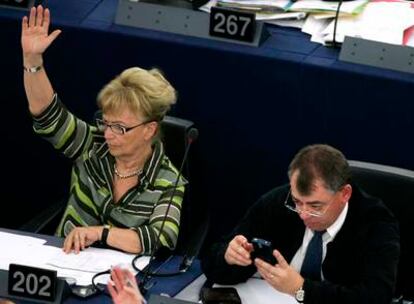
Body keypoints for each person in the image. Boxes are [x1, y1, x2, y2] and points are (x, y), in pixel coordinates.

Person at [21, 5, 186, 254]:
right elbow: (48, 115)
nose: (108, 134)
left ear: (149, 130)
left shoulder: (168, 180)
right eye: (106, 123)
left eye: (120, 128)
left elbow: (159, 240)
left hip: (119, 281)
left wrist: (100, 233)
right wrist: (33, 61)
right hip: (64, 262)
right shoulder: (92, 144)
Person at [202, 144, 400, 304]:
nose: (303, 214)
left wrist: (300, 289)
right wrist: (227, 257)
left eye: (316, 206)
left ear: (345, 194)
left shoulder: (376, 224)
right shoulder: (279, 203)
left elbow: (376, 297)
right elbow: (211, 263)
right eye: (297, 202)